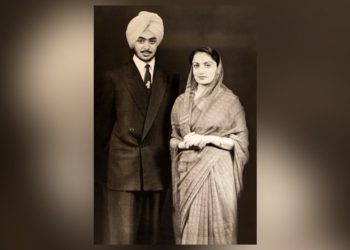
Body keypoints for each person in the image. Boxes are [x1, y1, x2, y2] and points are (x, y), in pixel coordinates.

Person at [102, 11, 179, 244]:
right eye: (141, 40)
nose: (146, 46)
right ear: (133, 41)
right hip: (122, 171)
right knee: (123, 239)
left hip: (157, 170)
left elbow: (171, 125)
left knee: (152, 239)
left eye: (152, 40)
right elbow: (101, 130)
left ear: (159, 42)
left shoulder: (170, 78)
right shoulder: (114, 78)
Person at [170, 47, 249, 244]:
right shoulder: (181, 102)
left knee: (220, 228)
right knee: (189, 230)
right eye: (196, 65)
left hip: (218, 174)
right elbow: (172, 138)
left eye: (207, 65)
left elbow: (241, 142)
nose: (201, 70)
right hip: (188, 173)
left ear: (217, 68)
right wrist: (182, 145)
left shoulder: (230, 101)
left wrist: (209, 139)